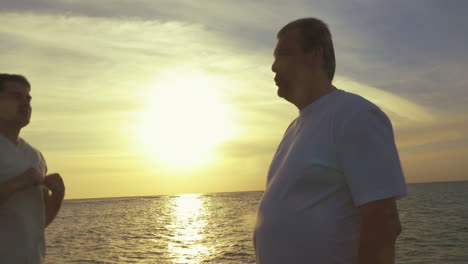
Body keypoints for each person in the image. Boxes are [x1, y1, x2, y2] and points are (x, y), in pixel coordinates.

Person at [254, 18, 407, 264]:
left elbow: (384, 220)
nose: (273, 67)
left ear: (315, 55)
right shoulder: (294, 129)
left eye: (282, 54)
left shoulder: (355, 115)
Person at [0, 73, 65, 264]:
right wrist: (18, 182)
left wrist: (58, 196)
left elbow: (39, 223)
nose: (25, 103)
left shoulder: (35, 156)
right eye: (16, 96)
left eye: (28, 98)